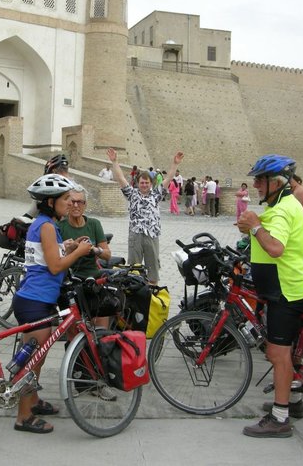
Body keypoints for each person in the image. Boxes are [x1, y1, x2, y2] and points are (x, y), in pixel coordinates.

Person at [237, 154, 303, 438]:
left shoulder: (281, 210)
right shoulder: (283, 204)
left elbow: (276, 248)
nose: (255, 184)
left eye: (260, 179)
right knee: (286, 353)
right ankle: (293, 401)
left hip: (286, 291)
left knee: (277, 354)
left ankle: (280, 419)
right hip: (288, 288)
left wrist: (256, 226)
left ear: (276, 182)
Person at [12, 174, 93, 434]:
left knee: (39, 358)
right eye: (66, 199)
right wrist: (78, 253)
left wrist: (67, 247)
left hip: (39, 299)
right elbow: (56, 266)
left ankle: (33, 401)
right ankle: (23, 417)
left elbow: (49, 258)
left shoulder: (47, 224)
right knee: (32, 363)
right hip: (35, 301)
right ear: (51, 201)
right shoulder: (45, 226)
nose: (71, 203)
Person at [107, 148, 184, 284]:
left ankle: (152, 295)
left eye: (146, 183)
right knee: (133, 269)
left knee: (153, 268)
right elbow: (120, 178)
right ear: (137, 183)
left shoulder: (156, 194)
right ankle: (135, 295)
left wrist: (175, 164)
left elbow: (169, 178)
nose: (144, 185)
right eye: (142, 183)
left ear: (151, 184)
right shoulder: (132, 194)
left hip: (152, 235)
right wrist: (115, 162)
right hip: (135, 234)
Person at [58, 185, 113, 329]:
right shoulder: (59, 227)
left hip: (92, 280)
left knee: (100, 331)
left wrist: (94, 249)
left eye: (80, 202)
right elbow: (55, 260)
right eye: (72, 201)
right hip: (70, 283)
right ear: (68, 204)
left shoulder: (94, 224)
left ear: (85, 205)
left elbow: (107, 255)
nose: (76, 205)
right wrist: (67, 248)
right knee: (73, 332)